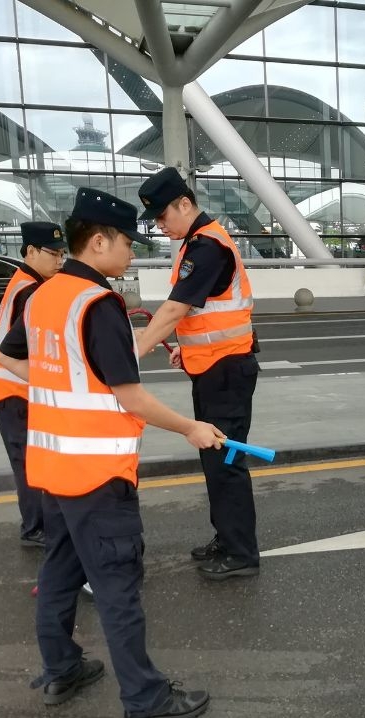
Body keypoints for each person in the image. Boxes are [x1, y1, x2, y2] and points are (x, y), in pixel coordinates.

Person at [0, 187, 220, 718]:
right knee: (118, 587)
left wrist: (65, 394)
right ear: (98, 242)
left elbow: (11, 357)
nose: (130, 252)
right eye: (125, 242)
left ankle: (61, 669)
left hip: (53, 467)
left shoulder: (44, 294)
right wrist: (192, 427)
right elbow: (130, 396)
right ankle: (144, 700)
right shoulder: (98, 304)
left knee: (59, 570)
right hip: (97, 473)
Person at [134, 167, 261, 581]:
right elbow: (204, 315)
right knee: (214, 458)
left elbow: (174, 309)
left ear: (184, 204)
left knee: (225, 460)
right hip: (213, 368)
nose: (159, 225)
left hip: (226, 373)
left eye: (162, 216)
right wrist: (186, 352)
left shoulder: (207, 246)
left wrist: (134, 351)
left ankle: (241, 553)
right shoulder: (196, 244)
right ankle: (226, 539)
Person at [0, 222, 66, 548]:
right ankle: (35, 529)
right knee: (28, 461)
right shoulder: (30, 289)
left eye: (62, 254)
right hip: (12, 387)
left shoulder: (28, 282)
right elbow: (27, 345)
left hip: (14, 387)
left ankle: (36, 525)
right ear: (30, 251)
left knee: (29, 459)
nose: (60, 260)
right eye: (53, 253)